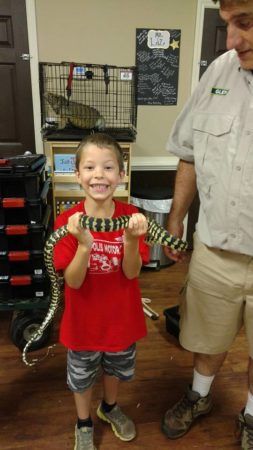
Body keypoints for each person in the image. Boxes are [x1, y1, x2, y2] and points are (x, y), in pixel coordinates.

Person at [161, 1, 253, 449]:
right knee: (207, 334)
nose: (233, 41)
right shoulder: (219, 69)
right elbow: (190, 152)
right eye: (227, 25)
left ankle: (252, 416)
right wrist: (176, 219)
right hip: (215, 248)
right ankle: (199, 396)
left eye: (246, 23)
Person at [53, 133, 149, 450]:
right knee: (81, 378)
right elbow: (74, 281)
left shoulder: (132, 218)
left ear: (121, 175)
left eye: (108, 168)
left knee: (115, 369)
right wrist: (84, 245)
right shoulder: (68, 223)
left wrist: (132, 241)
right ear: (78, 174)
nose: (99, 175)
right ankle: (83, 422)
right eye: (90, 167)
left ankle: (108, 408)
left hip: (121, 320)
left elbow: (132, 272)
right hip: (83, 325)